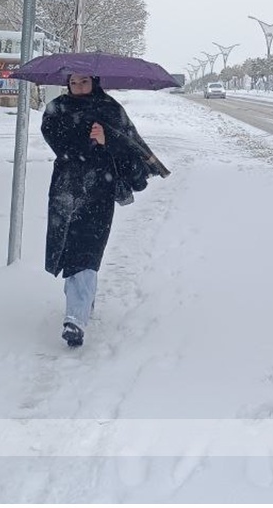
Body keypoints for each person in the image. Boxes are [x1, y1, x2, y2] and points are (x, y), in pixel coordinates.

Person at [40, 73, 169, 347]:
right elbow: (58, 143)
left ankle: (75, 318)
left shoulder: (110, 109)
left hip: (99, 189)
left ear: (94, 81)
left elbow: (130, 145)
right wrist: (89, 142)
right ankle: (82, 302)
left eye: (84, 82)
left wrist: (107, 139)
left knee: (87, 250)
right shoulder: (57, 109)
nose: (79, 87)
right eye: (74, 83)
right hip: (66, 188)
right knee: (69, 247)